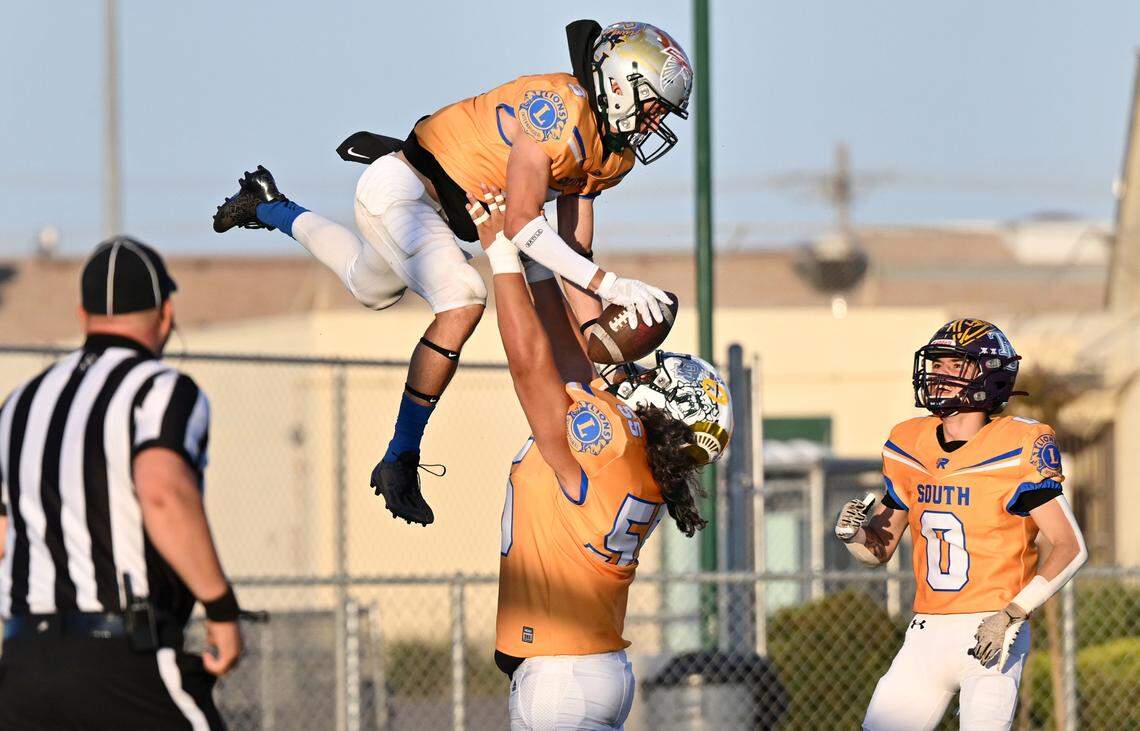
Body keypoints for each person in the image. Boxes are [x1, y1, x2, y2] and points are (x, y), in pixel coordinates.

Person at [210, 20, 685, 526]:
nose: (656, 122)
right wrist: (615, 287)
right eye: (655, 104)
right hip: (407, 190)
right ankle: (401, 457)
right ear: (618, 81)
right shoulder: (558, 108)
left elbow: (573, 250)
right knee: (463, 297)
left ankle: (268, 205)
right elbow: (524, 226)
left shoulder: (613, 155)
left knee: (370, 287)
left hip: (445, 208)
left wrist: (601, 353)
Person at [462, 187, 733, 729]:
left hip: (563, 679)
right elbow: (569, 363)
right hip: (587, 670)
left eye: (656, 379)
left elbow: (530, 367)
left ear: (667, 409)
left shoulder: (610, 441)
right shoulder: (635, 457)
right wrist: (538, 262)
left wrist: (502, 258)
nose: (640, 373)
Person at [0, 237, 244, 729]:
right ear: (166, 313)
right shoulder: (159, 389)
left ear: (82, 313)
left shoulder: (19, 404)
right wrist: (221, 608)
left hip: (23, 663)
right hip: (122, 658)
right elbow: (162, 491)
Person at [834, 319, 1088, 731]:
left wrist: (1014, 613)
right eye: (938, 364)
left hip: (991, 629)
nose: (940, 374)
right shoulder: (907, 443)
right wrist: (855, 535)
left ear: (991, 375)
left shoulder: (1019, 445)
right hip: (924, 633)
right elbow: (879, 550)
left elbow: (1070, 546)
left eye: (957, 365)